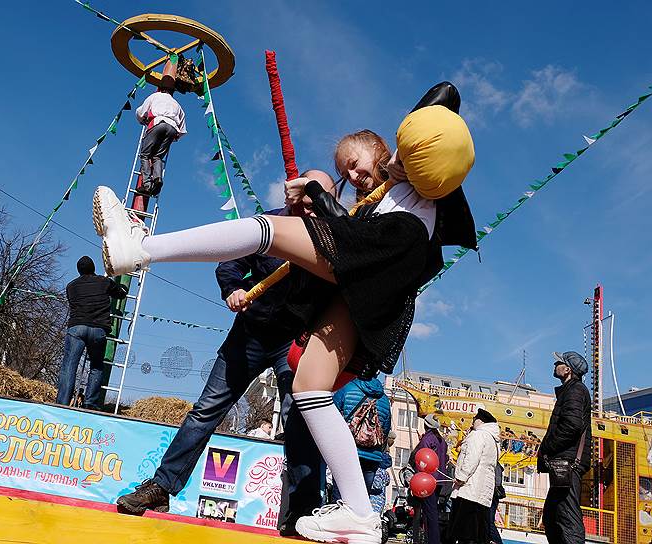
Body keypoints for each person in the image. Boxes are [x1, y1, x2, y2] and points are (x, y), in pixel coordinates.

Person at [95, 83, 476, 544]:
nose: (357, 174)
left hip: (377, 258)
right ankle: (359, 512)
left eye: (356, 164)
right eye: (344, 171)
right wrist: (237, 287)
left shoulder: (412, 182)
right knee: (308, 386)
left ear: (384, 149)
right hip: (333, 295)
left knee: (267, 230)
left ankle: (138, 249)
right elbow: (437, 105)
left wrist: (337, 186)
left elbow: (435, 116)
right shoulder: (387, 193)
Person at [115, 171, 337, 537]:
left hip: (293, 341)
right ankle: (162, 487)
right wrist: (233, 288)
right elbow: (230, 262)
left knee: (300, 417)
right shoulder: (269, 225)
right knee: (206, 410)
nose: (312, 206)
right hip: (249, 335)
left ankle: (304, 510)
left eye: (320, 199)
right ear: (295, 195)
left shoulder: (330, 240)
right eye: (307, 198)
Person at [56, 256, 128, 410]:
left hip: (77, 328)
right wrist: (123, 288)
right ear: (93, 268)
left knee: (69, 366)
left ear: (78, 271)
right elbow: (120, 293)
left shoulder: (71, 286)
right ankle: (90, 402)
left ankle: (62, 402)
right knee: (96, 366)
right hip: (98, 329)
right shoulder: (104, 281)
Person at [537, 351, 591, 544]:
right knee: (552, 516)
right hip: (564, 462)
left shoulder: (575, 390)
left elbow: (572, 426)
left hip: (567, 462)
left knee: (567, 516)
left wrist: (547, 448)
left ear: (568, 369)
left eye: (558, 362)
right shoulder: (571, 390)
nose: (555, 365)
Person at [331, 376, 392, 509]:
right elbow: (385, 430)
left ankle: (338, 525)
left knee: (340, 496)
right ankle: (356, 526)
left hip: (347, 450)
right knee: (362, 499)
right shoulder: (385, 400)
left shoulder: (347, 388)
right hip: (373, 456)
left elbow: (331, 414)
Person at [447, 409, 500, 544]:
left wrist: (460, 477)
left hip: (469, 490)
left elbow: (471, 459)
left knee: (464, 533)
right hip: (482, 494)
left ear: (481, 421)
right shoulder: (493, 440)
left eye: (474, 420)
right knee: (478, 534)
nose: (472, 423)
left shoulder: (478, 435)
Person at [135, 60, 186, 197]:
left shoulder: (154, 96)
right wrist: (173, 137)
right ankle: (158, 178)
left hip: (157, 123)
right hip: (172, 128)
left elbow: (140, 112)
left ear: (160, 88)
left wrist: (142, 121)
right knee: (158, 156)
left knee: (145, 155)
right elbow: (182, 128)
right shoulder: (177, 104)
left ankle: (146, 185)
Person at [411, 414, 448, 544]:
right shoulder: (441, 440)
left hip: (427, 481)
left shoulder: (427, 440)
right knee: (432, 511)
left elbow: (421, 460)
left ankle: (433, 540)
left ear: (425, 424)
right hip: (440, 480)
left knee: (429, 513)